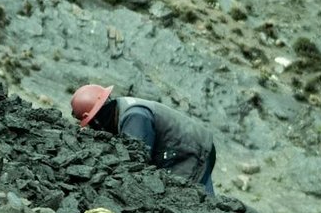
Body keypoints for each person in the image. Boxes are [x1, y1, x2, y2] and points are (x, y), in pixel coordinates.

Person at [71, 83, 217, 196]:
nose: (92, 128)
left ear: (96, 118)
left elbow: (136, 161)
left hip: (191, 151)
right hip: (178, 148)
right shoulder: (119, 110)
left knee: (189, 196)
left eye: (90, 123)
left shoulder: (134, 117)